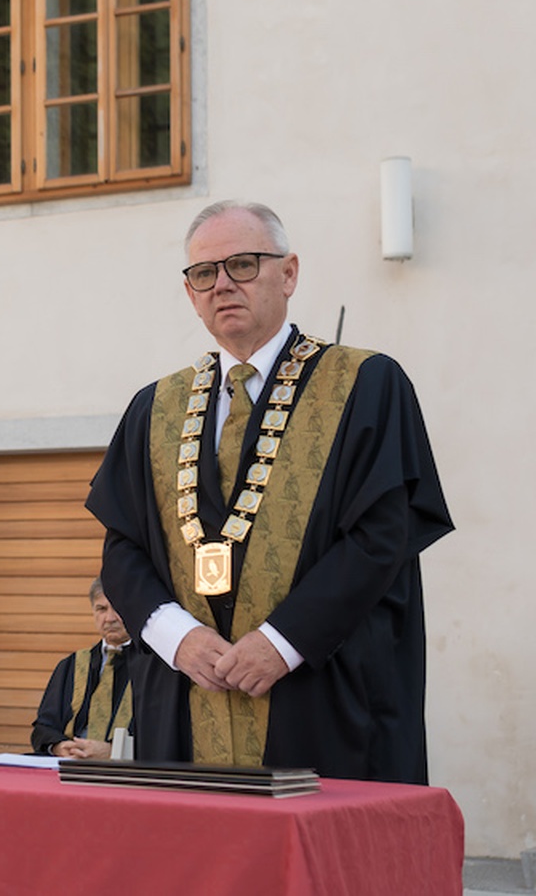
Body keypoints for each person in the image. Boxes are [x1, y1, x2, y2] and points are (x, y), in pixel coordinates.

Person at [90, 200, 452, 783]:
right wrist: (174, 636)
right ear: (190, 293)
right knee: (197, 866)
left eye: (244, 264)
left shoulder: (365, 384)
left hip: (319, 694)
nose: (223, 284)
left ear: (288, 273)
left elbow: (381, 537)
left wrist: (283, 643)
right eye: (204, 273)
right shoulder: (154, 408)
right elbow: (122, 547)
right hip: (186, 696)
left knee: (318, 865)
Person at [29, 580, 132, 758]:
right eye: (101, 609)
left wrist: (112, 753)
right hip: (69, 766)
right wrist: (59, 747)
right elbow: (43, 727)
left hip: (127, 773)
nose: (109, 618)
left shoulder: (155, 668)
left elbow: (162, 735)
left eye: (117, 608)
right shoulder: (71, 664)